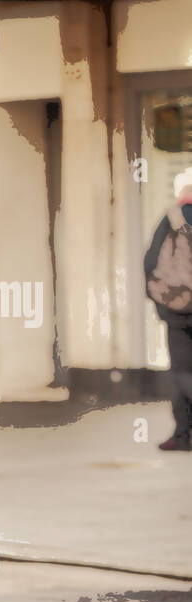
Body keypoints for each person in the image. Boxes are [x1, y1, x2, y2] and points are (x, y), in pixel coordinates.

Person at [143, 167, 192, 452]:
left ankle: (184, 435)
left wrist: (158, 303)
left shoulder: (172, 218)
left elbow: (151, 262)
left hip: (178, 308)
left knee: (183, 371)